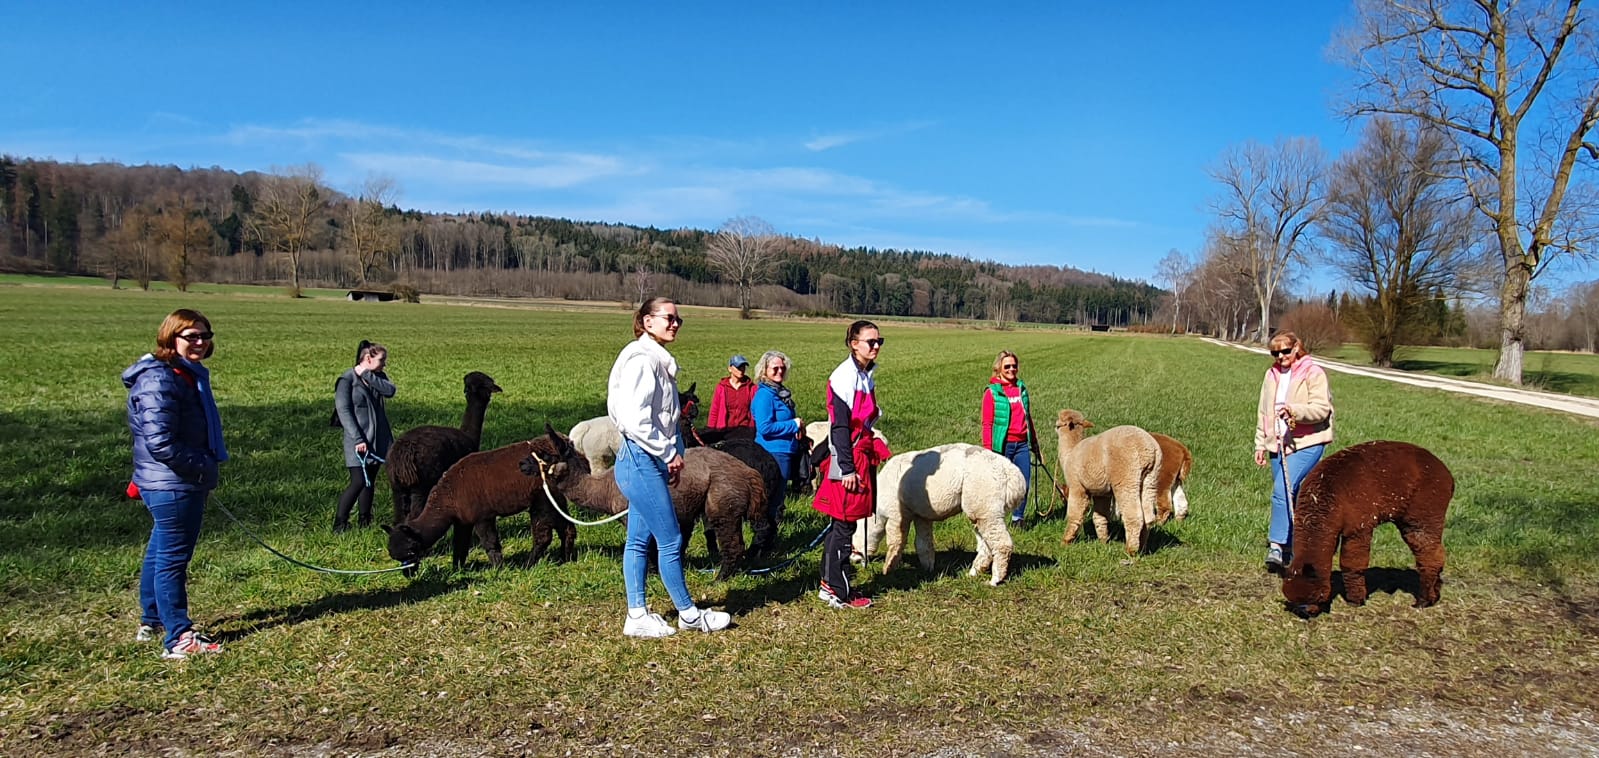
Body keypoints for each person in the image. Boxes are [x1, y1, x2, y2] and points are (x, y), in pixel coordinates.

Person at [608, 297, 731, 637]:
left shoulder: (655, 359)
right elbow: (634, 420)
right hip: (640, 460)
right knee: (671, 538)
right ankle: (689, 614)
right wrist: (666, 452)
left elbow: (663, 417)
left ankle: (636, 615)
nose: (675, 324)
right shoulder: (641, 361)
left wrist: (673, 451)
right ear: (647, 322)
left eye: (679, 319)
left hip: (644, 460)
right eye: (669, 318)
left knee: (638, 540)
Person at [122, 308, 228, 659]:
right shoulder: (161, 378)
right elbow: (161, 442)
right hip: (173, 483)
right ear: (171, 337)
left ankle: (152, 620)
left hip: (169, 480)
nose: (200, 342)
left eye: (204, 335)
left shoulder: (182, 374)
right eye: (191, 336)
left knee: (160, 551)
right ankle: (179, 637)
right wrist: (202, 466)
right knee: (172, 559)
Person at [812, 320, 890, 610]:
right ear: (854, 344)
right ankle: (838, 591)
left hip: (860, 454)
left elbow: (864, 421)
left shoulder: (866, 375)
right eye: (871, 341)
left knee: (842, 524)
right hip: (849, 458)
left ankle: (829, 584)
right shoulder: (844, 377)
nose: (876, 346)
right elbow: (840, 427)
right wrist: (846, 468)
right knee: (844, 525)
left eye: (879, 341)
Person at [1253, 331, 1334, 573]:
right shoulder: (1271, 375)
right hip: (1277, 443)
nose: (1280, 356)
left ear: (1297, 347)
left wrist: (1294, 412)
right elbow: (1263, 412)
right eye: (1275, 353)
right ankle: (1296, 548)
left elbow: (1322, 409)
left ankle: (1276, 546)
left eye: (1285, 351)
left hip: (1307, 443)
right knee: (1293, 495)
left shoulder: (1313, 373)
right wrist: (1260, 443)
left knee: (1282, 491)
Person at [333, 340, 394, 533]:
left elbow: (390, 391)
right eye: (381, 360)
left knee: (369, 482)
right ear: (368, 358)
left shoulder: (377, 377)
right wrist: (358, 439)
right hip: (357, 441)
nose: (384, 364)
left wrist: (367, 374)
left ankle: (364, 521)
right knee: (358, 481)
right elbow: (344, 411)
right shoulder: (346, 380)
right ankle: (340, 524)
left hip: (378, 441)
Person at [980, 350, 1040, 524]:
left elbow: (1028, 417)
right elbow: (987, 424)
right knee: (999, 486)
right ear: (999, 368)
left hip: (1022, 445)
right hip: (1003, 445)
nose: (1011, 369)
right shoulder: (992, 393)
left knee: (1023, 484)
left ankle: (1018, 519)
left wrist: (1034, 442)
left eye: (1014, 366)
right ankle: (995, 519)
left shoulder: (1021, 389)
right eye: (1007, 366)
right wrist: (988, 451)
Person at [750, 350, 802, 529]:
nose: (780, 371)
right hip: (772, 453)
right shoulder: (765, 396)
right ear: (764, 370)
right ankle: (765, 535)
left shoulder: (779, 393)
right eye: (775, 368)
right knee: (771, 498)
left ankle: (770, 534)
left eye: (782, 368)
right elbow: (765, 428)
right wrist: (793, 425)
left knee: (777, 497)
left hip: (784, 451)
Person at [706, 354, 756, 432]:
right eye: (738, 367)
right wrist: (710, 429)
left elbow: (756, 412)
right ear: (730, 369)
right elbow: (714, 411)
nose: (742, 369)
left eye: (743, 367)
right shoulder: (721, 388)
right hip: (725, 431)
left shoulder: (752, 388)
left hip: (745, 431)